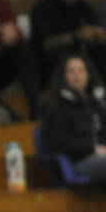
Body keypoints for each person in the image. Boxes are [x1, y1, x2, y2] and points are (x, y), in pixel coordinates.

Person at [28, 0, 106, 86]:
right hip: (50, 61)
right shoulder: (42, 8)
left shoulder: (83, 6)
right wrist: (76, 36)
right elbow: (47, 45)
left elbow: (96, 27)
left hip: (80, 57)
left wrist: (98, 34)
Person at [40, 52, 106, 185]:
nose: (77, 76)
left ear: (88, 74)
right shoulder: (57, 106)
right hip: (79, 161)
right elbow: (58, 143)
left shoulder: (98, 102)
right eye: (71, 71)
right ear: (63, 76)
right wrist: (93, 148)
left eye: (81, 70)